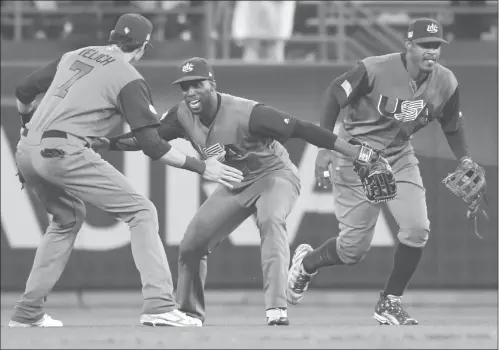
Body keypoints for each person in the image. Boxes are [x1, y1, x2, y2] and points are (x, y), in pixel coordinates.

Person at [94, 57, 387, 326]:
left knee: (271, 221)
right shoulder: (181, 114)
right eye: (185, 86)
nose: (190, 91)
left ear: (213, 84)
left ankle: (276, 308)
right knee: (191, 245)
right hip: (236, 183)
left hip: (275, 176)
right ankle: (188, 312)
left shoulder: (249, 113)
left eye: (197, 84)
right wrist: (108, 143)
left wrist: (354, 151)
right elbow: (148, 139)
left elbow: (302, 129)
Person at [9, 13, 243, 328]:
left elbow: (24, 90)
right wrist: (204, 167)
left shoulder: (75, 55)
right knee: (142, 212)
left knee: (66, 220)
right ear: (144, 45)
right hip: (62, 150)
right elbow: (153, 145)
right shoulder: (127, 76)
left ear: (112, 35)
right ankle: (160, 305)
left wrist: (27, 125)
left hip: (27, 151)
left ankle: (27, 313)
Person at [287, 18, 477, 325]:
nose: (432, 52)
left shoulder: (446, 82)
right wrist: (324, 147)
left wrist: (465, 159)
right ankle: (306, 264)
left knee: (417, 229)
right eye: (425, 45)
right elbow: (334, 94)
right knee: (351, 251)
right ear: (409, 45)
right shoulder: (374, 69)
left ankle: (389, 302)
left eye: (437, 46)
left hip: (399, 155)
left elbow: (452, 125)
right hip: (355, 156)